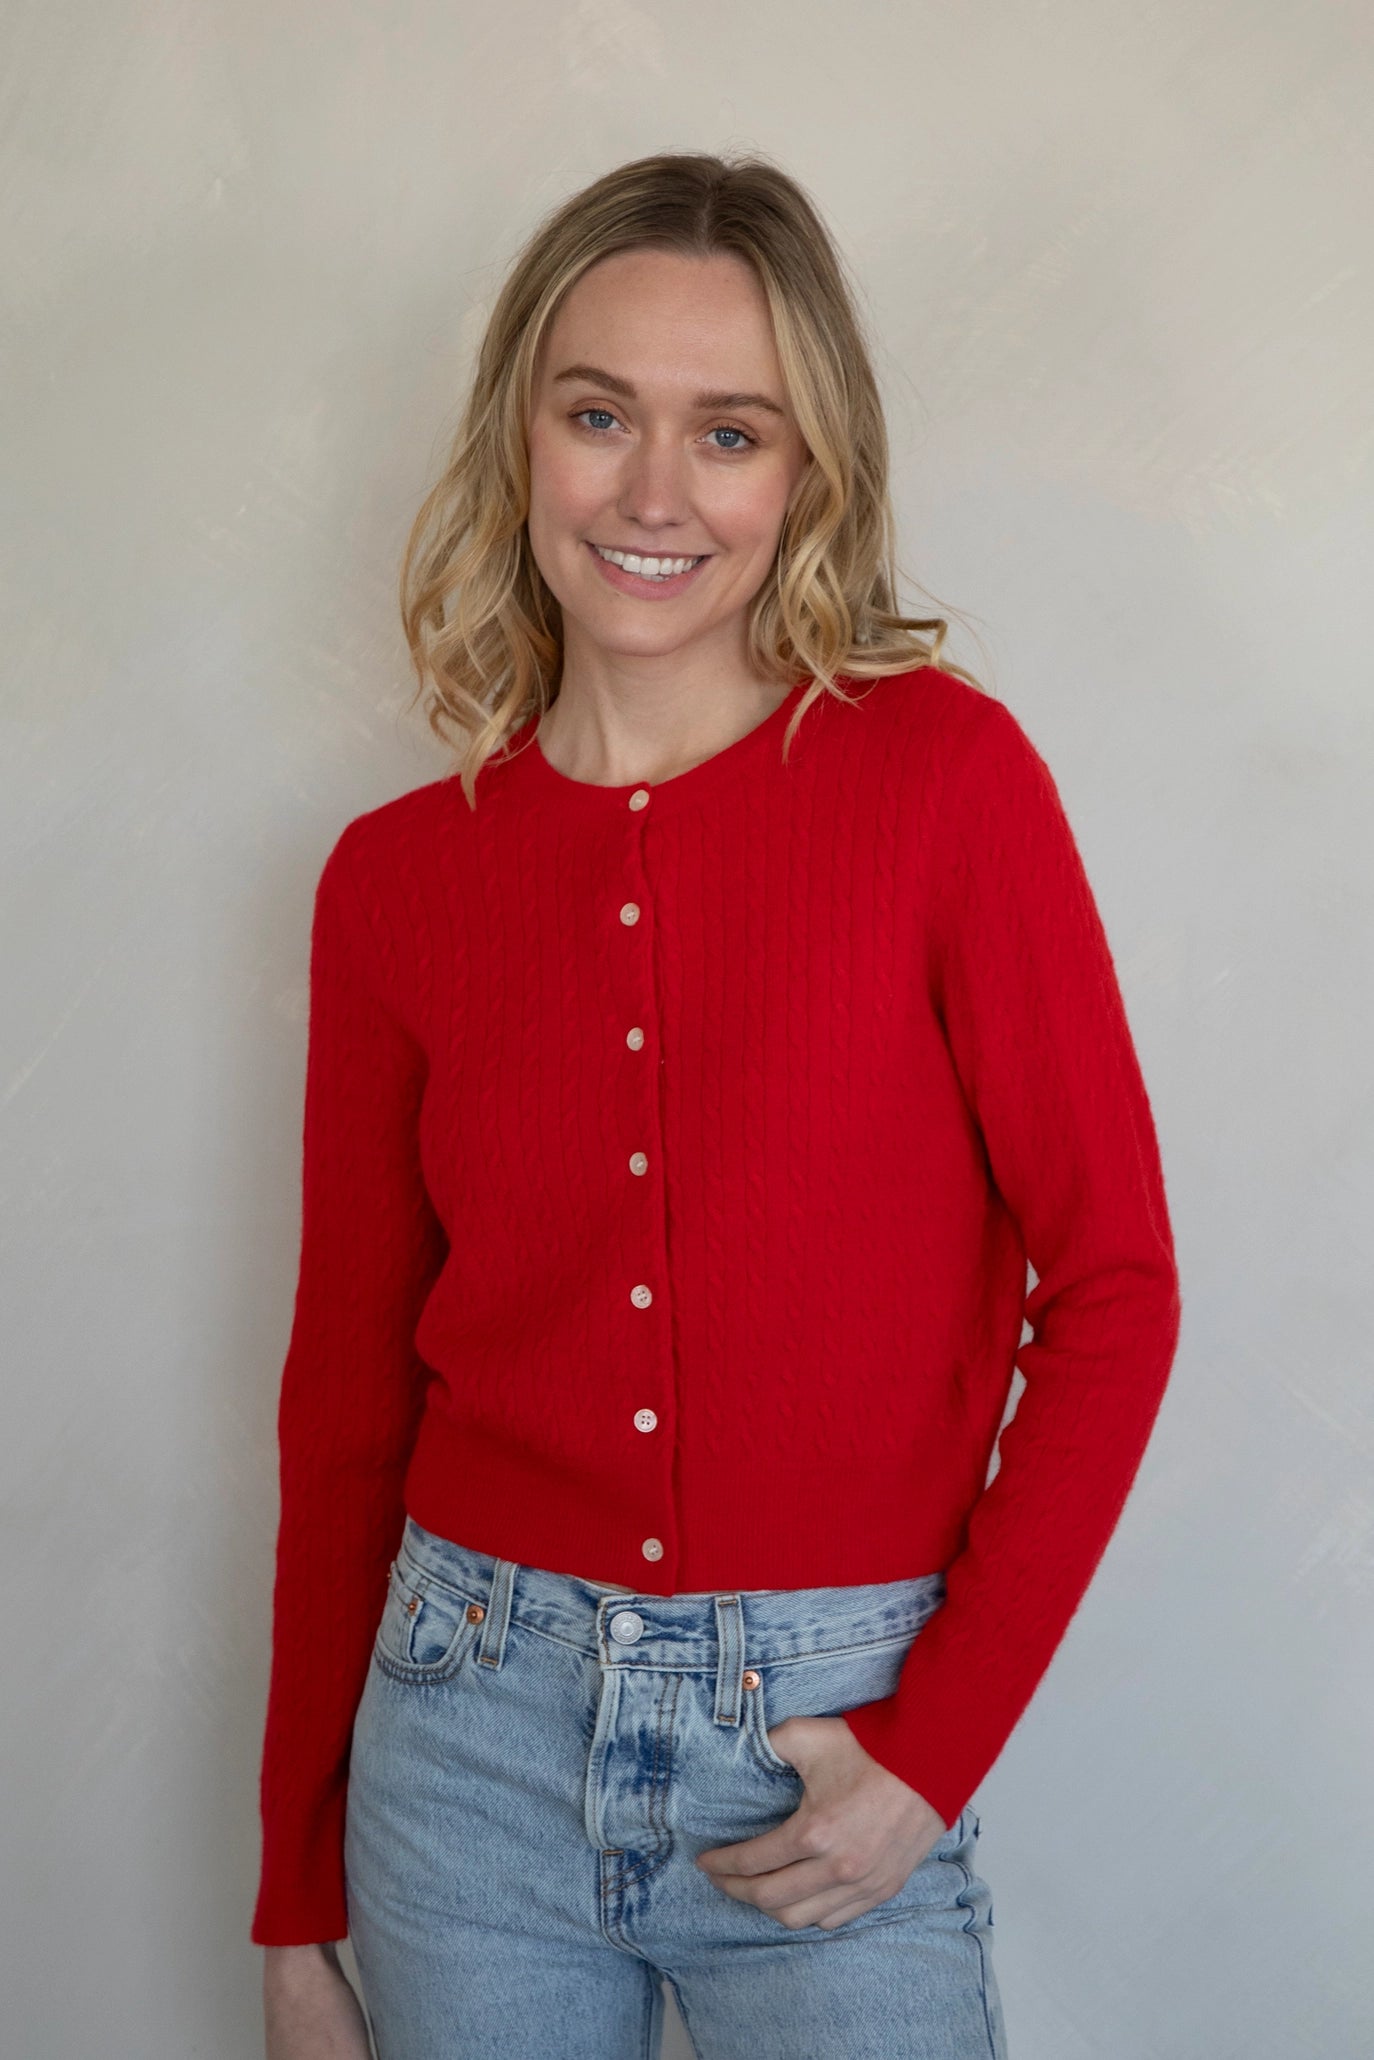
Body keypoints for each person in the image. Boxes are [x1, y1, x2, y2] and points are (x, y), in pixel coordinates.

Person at [253, 151, 1181, 2060]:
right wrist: (295, 1900)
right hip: (461, 1742)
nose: (655, 493)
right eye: (599, 415)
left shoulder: (945, 786)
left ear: (807, 472)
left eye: (729, 432)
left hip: (828, 1735)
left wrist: (929, 1759)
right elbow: (344, 1400)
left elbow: (1113, 1291)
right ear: (519, 436)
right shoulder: (394, 881)